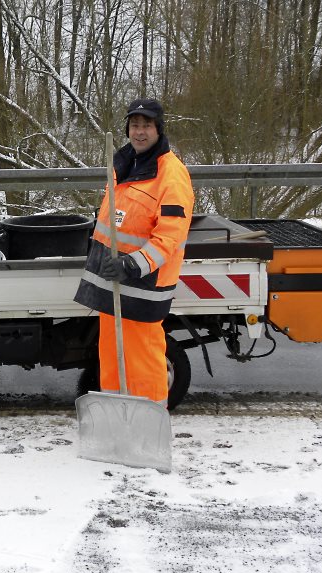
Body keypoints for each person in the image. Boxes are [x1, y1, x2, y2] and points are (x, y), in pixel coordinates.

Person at [74, 98, 194, 405]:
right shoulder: (125, 162)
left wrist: (132, 264)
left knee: (142, 362)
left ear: (159, 129)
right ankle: (118, 416)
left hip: (142, 286)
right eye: (135, 125)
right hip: (112, 282)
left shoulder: (171, 175)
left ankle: (148, 421)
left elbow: (170, 236)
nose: (140, 132)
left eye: (147, 126)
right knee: (113, 358)